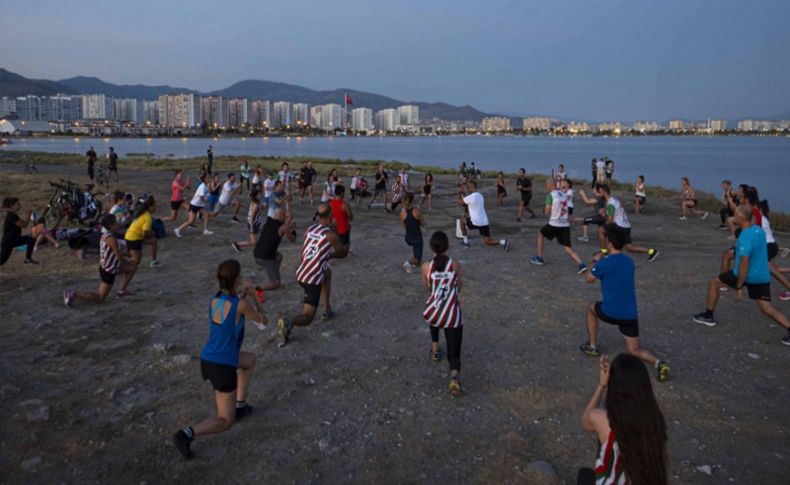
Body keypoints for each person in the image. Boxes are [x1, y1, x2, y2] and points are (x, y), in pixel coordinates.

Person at [172, 259, 267, 460]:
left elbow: (228, 312)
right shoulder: (240, 304)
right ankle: (186, 434)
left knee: (249, 360)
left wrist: (242, 298)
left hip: (209, 358)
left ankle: (240, 406)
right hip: (222, 366)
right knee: (225, 420)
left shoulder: (214, 300)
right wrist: (253, 297)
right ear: (238, 278)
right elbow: (263, 321)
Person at [580, 226, 671, 381]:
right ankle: (658, 363)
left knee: (590, 307)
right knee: (634, 349)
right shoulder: (629, 262)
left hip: (610, 311)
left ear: (609, 243)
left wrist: (595, 261)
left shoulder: (605, 263)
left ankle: (592, 346)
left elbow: (588, 278)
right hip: (629, 315)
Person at [692, 206, 790, 345]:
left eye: (736, 215)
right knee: (767, 308)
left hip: (745, 274)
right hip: (761, 276)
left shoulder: (745, 237)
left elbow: (744, 263)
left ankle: (708, 316)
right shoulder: (759, 231)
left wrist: (739, 287)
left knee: (714, 282)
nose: (733, 216)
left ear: (742, 218)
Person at [578, 353, 668, 485]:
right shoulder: (654, 420)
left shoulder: (605, 421)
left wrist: (602, 384)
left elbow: (586, 422)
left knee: (584, 476)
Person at [277, 204, 349, 346]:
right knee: (308, 317)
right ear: (330, 216)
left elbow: (306, 249)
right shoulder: (331, 235)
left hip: (301, 271)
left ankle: (327, 309)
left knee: (327, 273)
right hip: (311, 278)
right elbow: (342, 253)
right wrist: (340, 249)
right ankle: (289, 321)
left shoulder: (310, 229)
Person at [421, 231, 464, 397]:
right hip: (452, 313)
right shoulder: (455, 265)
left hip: (434, 311)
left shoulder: (426, 267)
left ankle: (435, 349)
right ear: (447, 246)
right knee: (454, 351)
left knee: (434, 312)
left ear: (431, 246)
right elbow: (459, 286)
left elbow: (427, 288)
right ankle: (454, 377)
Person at [63, 214, 137, 305]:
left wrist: (128, 256)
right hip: (109, 269)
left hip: (107, 266)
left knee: (132, 268)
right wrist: (129, 260)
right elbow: (118, 257)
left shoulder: (105, 235)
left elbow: (113, 251)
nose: (119, 224)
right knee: (99, 298)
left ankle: (122, 291)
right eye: (116, 223)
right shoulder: (111, 238)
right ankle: (73, 294)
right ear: (111, 225)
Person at [530, 178, 586, 272]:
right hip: (565, 224)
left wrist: (545, 209)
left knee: (540, 234)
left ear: (549, 185)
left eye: (547, 185)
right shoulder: (563, 194)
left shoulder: (550, 196)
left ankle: (539, 258)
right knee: (568, 248)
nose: (546, 187)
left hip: (554, 224)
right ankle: (581, 264)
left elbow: (547, 212)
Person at [597, 185, 659, 261]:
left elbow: (610, 220)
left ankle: (604, 253)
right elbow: (615, 214)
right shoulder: (615, 200)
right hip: (626, 226)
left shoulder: (610, 203)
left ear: (604, 192)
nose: (598, 195)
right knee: (630, 248)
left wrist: (603, 215)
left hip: (619, 226)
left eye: (599, 192)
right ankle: (651, 251)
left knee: (601, 230)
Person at [250, 208, 296, 290]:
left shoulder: (268, 221)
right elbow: (292, 239)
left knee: (279, 256)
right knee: (277, 284)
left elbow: (279, 228)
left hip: (257, 253)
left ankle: (272, 276)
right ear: (282, 217)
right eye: (284, 216)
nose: (285, 217)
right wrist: (293, 230)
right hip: (265, 258)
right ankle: (255, 289)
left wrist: (288, 223)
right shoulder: (283, 227)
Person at [458, 180, 511, 251]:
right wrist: (464, 194)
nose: (467, 189)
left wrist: (461, 192)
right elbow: (467, 202)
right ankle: (504, 242)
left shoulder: (471, 197)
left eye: (468, 187)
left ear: (470, 187)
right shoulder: (480, 196)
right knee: (488, 242)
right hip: (484, 221)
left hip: (475, 222)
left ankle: (466, 242)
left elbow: (460, 202)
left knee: (462, 221)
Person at [758, 200, 790, 301]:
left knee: (771, 269)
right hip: (771, 245)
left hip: (768, 246)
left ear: (760, 209)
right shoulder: (764, 219)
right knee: (773, 269)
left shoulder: (762, 219)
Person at [125, 195, 162, 269]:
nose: (156, 207)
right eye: (155, 206)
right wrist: (150, 235)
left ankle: (153, 262)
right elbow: (145, 234)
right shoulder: (147, 217)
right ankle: (120, 265)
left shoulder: (142, 213)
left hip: (129, 236)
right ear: (150, 207)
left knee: (153, 241)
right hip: (134, 238)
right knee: (136, 261)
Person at [1, 197, 37, 265]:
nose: (20, 206)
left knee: (31, 240)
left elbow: (22, 223)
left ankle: (28, 259)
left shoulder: (14, 215)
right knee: (1, 261)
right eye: (18, 204)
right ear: (12, 206)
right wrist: (28, 215)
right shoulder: (11, 216)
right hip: (8, 242)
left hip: (15, 239)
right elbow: (24, 225)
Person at [401, 192, 425, 273]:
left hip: (408, 237)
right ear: (413, 201)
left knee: (416, 253)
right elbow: (422, 223)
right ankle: (407, 263)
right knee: (418, 259)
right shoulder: (417, 211)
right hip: (417, 237)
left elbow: (404, 226)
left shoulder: (402, 213)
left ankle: (413, 266)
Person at [329, 185, 353, 251]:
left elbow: (329, 218)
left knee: (337, 249)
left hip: (334, 230)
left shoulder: (330, 204)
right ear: (342, 193)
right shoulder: (344, 205)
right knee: (345, 251)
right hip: (344, 230)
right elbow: (351, 218)